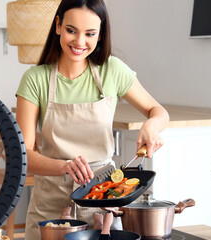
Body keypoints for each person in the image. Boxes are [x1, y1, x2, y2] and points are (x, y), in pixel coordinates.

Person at [15, 0, 170, 238]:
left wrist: (151, 126)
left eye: (90, 34)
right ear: (58, 26)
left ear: (100, 35)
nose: (79, 42)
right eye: (71, 30)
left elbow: (158, 111)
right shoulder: (35, 79)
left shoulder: (112, 70)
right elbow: (24, 156)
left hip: (102, 202)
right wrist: (65, 167)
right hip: (50, 208)